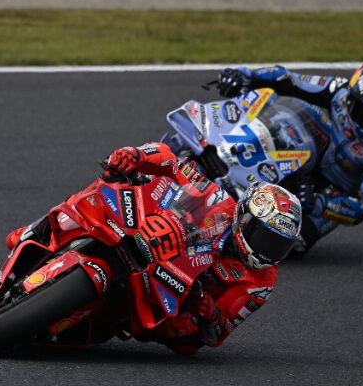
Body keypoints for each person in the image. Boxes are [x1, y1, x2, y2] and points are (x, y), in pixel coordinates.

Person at [101, 143, 302, 354]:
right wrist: (137, 155)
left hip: (174, 300)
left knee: (189, 344)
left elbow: (219, 333)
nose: (268, 251)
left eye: (279, 245)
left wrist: (211, 314)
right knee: (117, 178)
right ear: (245, 218)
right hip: (155, 241)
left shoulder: (262, 282)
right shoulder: (217, 198)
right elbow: (171, 162)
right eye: (265, 238)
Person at [214, 62, 363, 257]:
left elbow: (358, 207)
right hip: (310, 158)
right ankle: (226, 161)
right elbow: (287, 78)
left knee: (292, 244)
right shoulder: (338, 91)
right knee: (292, 120)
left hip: (330, 194)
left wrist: (317, 203)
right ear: (351, 100)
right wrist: (244, 74)